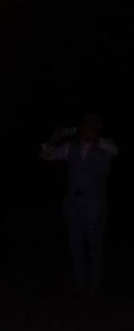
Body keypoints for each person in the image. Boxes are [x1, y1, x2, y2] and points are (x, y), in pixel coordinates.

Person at [41, 112, 119, 295]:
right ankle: (79, 283)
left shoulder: (106, 146)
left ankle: (95, 285)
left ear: (97, 126)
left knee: (95, 245)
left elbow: (115, 151)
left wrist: (89, 133)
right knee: (75, 244)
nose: (86, 126)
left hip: (95, 203)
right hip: (72, 203)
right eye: (84, 123)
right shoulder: (72, 147)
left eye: (90, 123)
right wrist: (55, 138)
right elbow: (47, 155)